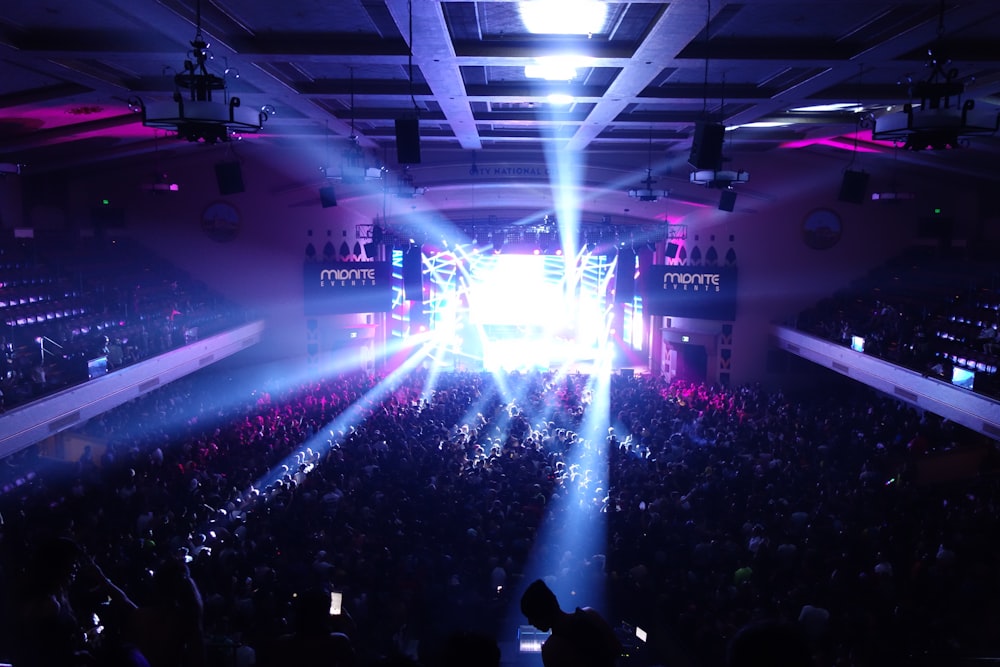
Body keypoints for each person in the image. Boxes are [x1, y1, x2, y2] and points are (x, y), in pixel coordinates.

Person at [519, 579, 621, 667]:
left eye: (531, 616)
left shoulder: (551, 649)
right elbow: (616, 649)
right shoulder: (591, 614)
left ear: (540, 612)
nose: (530, 622)